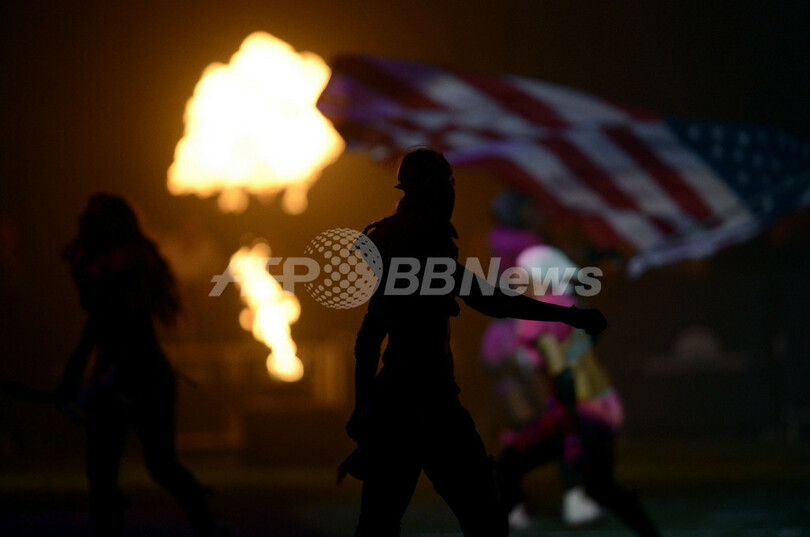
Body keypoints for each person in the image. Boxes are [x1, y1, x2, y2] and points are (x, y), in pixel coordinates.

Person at [339, 148, 607, 537]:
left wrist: (365, 409)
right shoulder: (415, 246)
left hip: (401, 404)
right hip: (425, 405)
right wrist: (568, 315)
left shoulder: (409, 242)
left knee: (384, 524)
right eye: (445, 185)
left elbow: (371, 340)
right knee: (480, 521)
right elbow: (486, 299)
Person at [58, 193, 221, 537]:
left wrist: (96, 371)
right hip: (117, 369)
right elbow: (98, 319)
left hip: (141, 370)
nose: (83, 219)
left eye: (92, 215)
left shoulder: (129, 261)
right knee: (102, 469)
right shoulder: (99, 258)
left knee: (159, 464)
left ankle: (208, 529)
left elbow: (118, 320)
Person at [492, 245, 659, 537]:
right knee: (601, 487)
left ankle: (506, 515)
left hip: (580, 408)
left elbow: (561, 372)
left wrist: (567, 421)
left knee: (510, 463)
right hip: (606, 404)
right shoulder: (568, 302)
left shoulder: (539, 314)